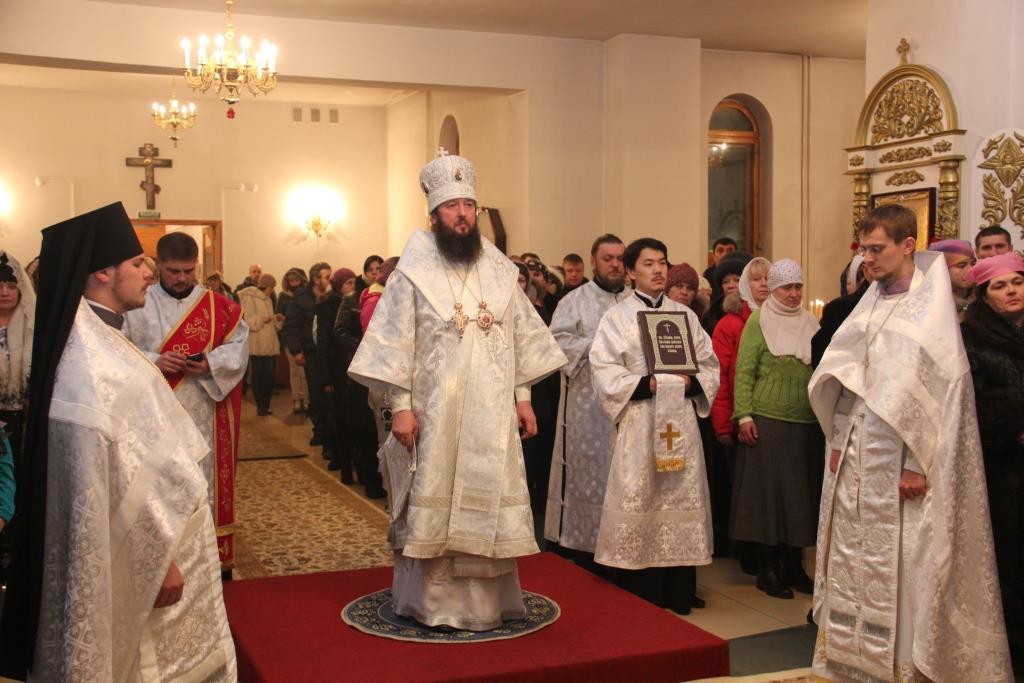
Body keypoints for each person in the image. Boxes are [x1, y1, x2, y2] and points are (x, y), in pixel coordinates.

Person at [0, 202, 235, 681]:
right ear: (103, 274)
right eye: (136, 264)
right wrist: (160, 559)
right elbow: (114, 477)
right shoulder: (91, 364)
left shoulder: (96, 339)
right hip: (138, 556)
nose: (148, 274)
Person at [348, 150, 566, 631]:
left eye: (469, 205)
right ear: (434, 214)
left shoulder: (500, 270)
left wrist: (524, 399)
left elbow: (520, 339)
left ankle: (488, 605)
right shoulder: (410, 273)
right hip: (435, 413)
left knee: (490, 500)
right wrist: (400, 407)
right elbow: (393, 345)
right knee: (435, 502)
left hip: (492, 412)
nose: (463, 214)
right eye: (452, 206)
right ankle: (432, 604)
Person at [809, 205, 1012, 682]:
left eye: (877, 249)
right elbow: (845, 380)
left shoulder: (929, 313)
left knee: (903, 562)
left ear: (907, 246)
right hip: (857, 452)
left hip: (903, 459)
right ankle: (850, 660)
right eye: (864, 249)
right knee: (853, 553)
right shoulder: (869, 304)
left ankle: (900, 664)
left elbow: (940, 400)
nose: (867, 259)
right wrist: (837, 438)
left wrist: (918, 464)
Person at [589, 237, 719, 615]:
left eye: (662, 262)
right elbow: (604, 370)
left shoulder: (686, 316)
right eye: (648, 264)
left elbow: (709, 365)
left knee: (678, 494)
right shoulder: (617, 318)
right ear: (631, 272)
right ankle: (638, 589)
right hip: (640, 421)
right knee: (640, 492)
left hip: (680, 421)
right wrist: (646, 384)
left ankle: (678, 589)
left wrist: (691, 383)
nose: (659, 270)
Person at [123, 232, 250, 574]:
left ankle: (207, 558)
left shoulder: (218, 306)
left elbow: (239, 346)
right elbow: (117, 346)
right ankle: (161, 561)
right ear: (158, 265)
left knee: (200, 481)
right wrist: (155, 359)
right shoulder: (137, 304)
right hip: (153, 411)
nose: (182, 278)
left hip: (203, 409)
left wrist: (210, 363)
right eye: (173, 271)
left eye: (188, 271)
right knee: (159, 482)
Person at [730, 259, 821, 600]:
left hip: (805, 422)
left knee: (799, 498)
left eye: (798, 287)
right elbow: (744, 371)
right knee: (768, 498)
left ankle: (794, 567)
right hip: (767, 420)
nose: (794, 294)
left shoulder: (811, 322)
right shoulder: (759, 320)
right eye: (786, 288)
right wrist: (744, 416)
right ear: (775, 289)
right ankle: (767, 568)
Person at [544, 234, 629, 570]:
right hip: (587, 412)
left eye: (620, 258)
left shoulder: (636, 301)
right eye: (607, 258)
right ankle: (582, 551)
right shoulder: (574, 301)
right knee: (589, 479)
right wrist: (602, 343)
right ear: (593, 262)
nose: (615, 264)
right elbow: (555, 345)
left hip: (629, 410)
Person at [960, 251, 1024, 675]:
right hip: (1003, 467)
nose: (1012, 291)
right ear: (984, 295)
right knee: (1010, 560)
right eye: (1000, 286)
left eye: (1017, 282)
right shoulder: (972, 337)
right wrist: (1014, 426)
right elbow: (970, 403)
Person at [283, 262, 333, 452]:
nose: (328, 280)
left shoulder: (332, 296)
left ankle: (331, 431)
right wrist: (296, 350)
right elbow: (292, 325)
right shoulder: (301, 297)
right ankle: (319, 430)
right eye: (325, 277)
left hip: (329, 352)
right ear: (315, 279)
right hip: (311, 352)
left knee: (330, 394)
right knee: (316, 393)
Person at [811, 254, 871, 368]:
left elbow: (819, 355)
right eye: (847, 283)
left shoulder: (836, 310)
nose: (847, 287)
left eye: (849, 283)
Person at [239, 273, 280, 416]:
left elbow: (270, 320)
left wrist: (276, 319)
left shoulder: (268, 299)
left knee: (270, 376)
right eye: (272, 287)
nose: (272, 290)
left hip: (269, 342)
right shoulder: (249, 298)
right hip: (257, 343)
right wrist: (263, 319)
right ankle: (261, 405)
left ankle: (266, 405)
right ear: (267, 286)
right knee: (258, 375)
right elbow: (248, 321)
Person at [277, 267, 309, 413]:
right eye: (291, 280)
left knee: (304, 372)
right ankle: (296, 399)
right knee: (294, 371)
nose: (294, 283)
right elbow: (278, 315)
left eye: (296, 280)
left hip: (304, 337)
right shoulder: (283, 296)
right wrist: (281, 318)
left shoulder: (307, 294)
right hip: (288, 337)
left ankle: (307, 399)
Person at [702, 250, 752, 335]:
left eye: (737, 280)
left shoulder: (758, 308)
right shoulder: (712, 314)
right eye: (725, 282)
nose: (730, 286)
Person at [930, 238, 976, 321]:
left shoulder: (984, 298)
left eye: (973, 264)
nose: (970, 270)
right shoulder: (930, 304)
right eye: (962, 265)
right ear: (943, 269)